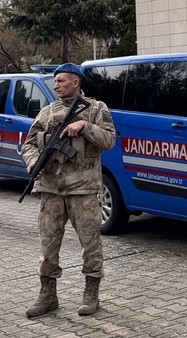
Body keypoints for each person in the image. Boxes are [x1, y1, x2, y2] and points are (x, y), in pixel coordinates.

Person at [22, 63, 116, 319]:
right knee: (48, 245)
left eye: (61, 81)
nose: (56, 85)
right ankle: (47, 294)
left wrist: (85, 126)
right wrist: (32, 161)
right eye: (56, 82)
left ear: (75, 82)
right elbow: (29, 143)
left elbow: (109, 140)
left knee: (90, 243)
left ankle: (91, 293)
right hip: (51, 188)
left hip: (82, 189)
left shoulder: (96, 109)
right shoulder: (47, 111)